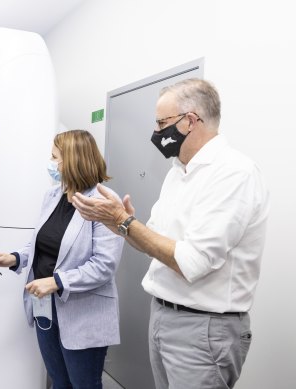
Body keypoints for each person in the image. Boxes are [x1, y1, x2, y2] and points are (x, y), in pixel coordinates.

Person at [72, 79, 270, 389]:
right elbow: (154, 242)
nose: (157, 131)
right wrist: (120, 226)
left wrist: (125, 223)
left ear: (190, 121)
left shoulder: (234, 172)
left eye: (162, 122)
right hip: (164, 315)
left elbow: (193, 262)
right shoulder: (178, 172)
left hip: (204, 328)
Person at [0, 130, 125, 389]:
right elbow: (41, 244)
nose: (51, 164)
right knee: (59, 381)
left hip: (82, 310)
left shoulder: (105, 201)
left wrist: (56, 282)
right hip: (45, 307)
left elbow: (104, 265)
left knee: (83, 383)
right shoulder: (53, 195)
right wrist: (15, 258)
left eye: (55, 158)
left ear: (73, 160)